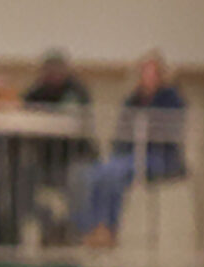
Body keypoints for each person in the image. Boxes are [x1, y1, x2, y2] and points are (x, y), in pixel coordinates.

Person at [79, 51, 190, 247]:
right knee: (97, 172)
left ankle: (110, 228)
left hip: (159, 157)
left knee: (115, 171)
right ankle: (95, 226)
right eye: (144, 72)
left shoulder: (172, 99)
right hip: (129, 154)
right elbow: (122, 131)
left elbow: (169, 131)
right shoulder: (132, 99)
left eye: (153, 72)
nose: (148, 77)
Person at [12, 51, 93, 246]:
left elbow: (75, 121)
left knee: (81, 180)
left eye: (57, 71)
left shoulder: (77, 92)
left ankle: (74, 231)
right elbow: (23, 110)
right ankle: (48, 226)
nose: (52, 76)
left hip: (74, 159)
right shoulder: (36, 93)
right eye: (49, 72)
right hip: (43, 161)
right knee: (19, 184)